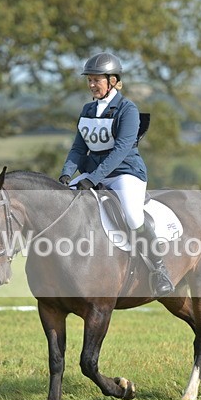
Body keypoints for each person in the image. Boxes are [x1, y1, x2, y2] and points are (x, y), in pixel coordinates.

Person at [58, 52, 174, 297]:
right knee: (62, 204)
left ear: (113, 81)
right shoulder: (88, 109)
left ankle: (159, 270)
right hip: (93, 173)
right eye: (89, 80)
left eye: (96, 80)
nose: (92, 85)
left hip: (125, 173)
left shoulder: (127, 109)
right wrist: (66, 174)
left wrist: (93, 178)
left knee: (132, 216)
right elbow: (78, 147)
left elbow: (121, 150)